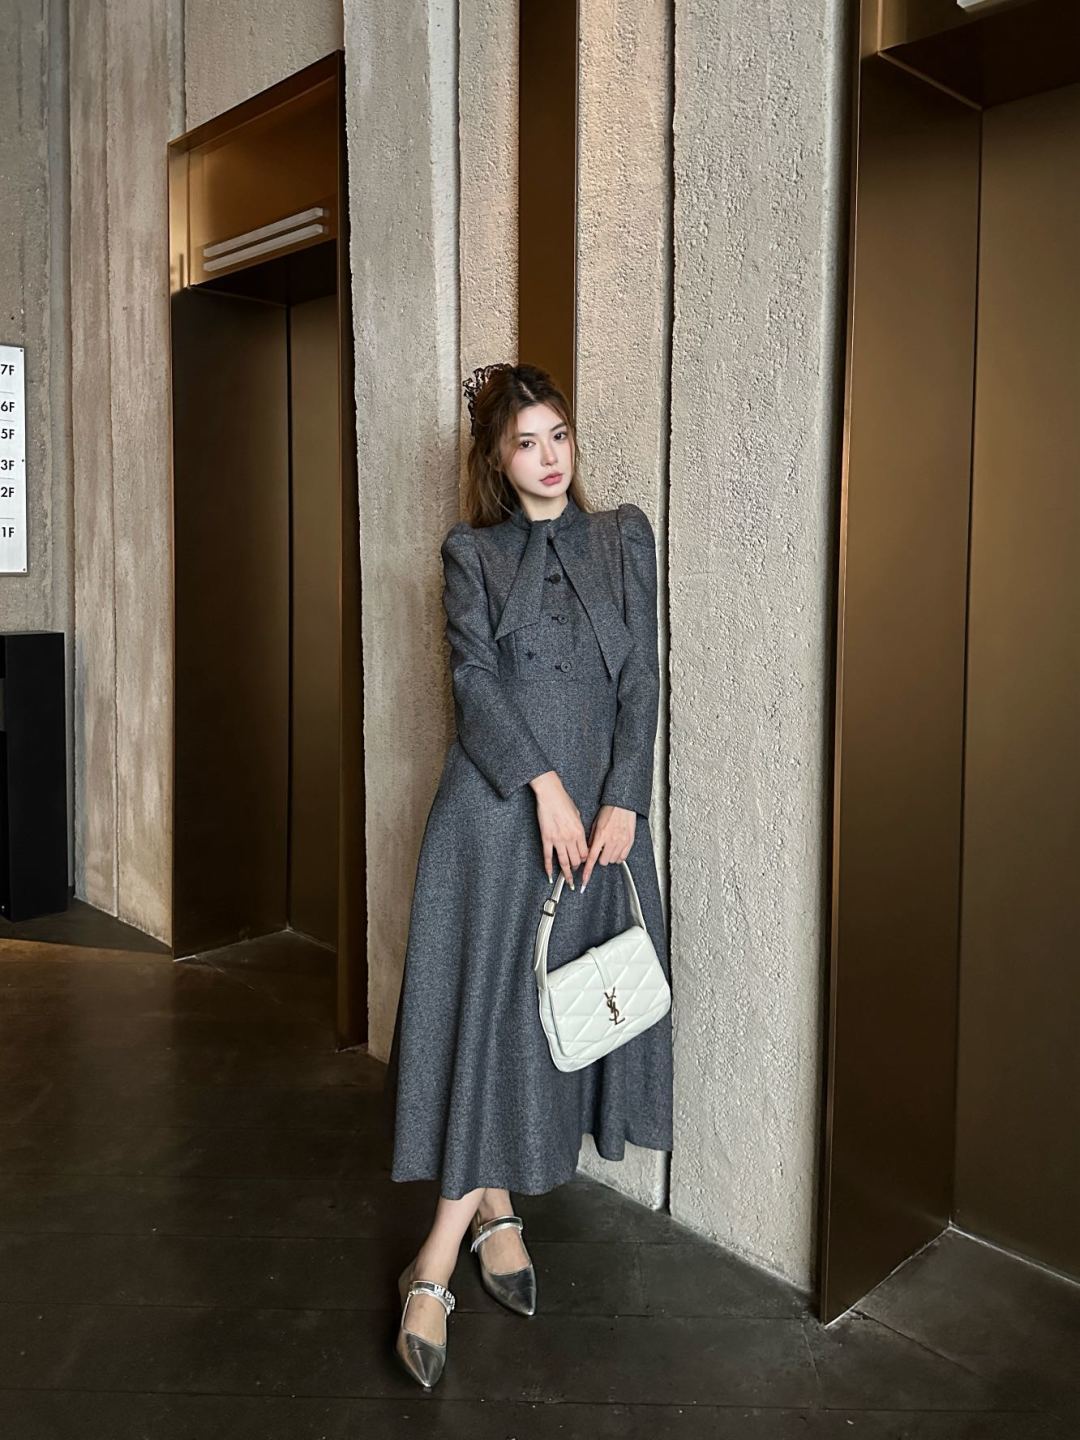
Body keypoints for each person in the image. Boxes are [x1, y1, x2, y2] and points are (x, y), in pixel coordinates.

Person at [384, 362, 673, 1388]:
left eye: (560, 436)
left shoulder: (623, 537)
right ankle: (438, 1259)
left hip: (599, 827)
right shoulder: (470, 554)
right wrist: (546, 786)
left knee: (541, 1019)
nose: (550, 458)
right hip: (496, 818)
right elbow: (473, 680)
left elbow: (642, 679)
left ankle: (494, 1210)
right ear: (497, 461)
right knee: (494, 1023)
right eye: (527, 443)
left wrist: (623, 797)